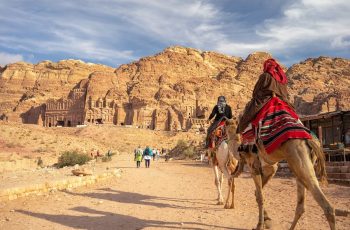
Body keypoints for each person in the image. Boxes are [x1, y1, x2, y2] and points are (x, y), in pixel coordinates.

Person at [237, 58, 293, 133]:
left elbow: (256, 91)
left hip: (265, 99)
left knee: (248, 113)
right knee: (292, 110)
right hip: (283, 100)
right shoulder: (282, 78)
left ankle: (241, 131)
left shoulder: (265, 75)